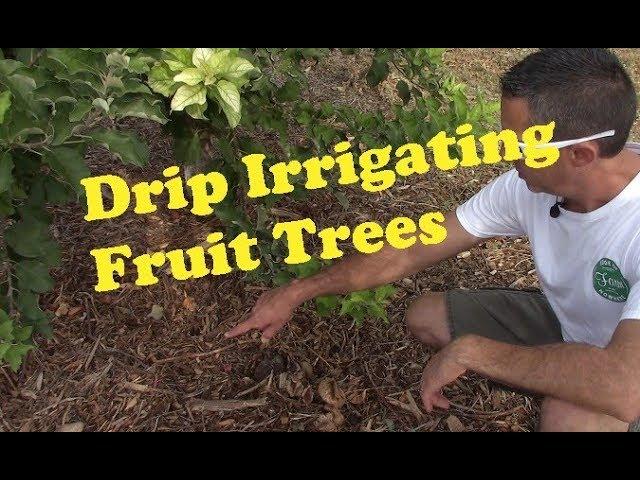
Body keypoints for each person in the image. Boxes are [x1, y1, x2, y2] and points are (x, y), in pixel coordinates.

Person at [226, 48, 640, 432]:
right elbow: (412, 246)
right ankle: (555, 372)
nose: (505, 154)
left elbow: (622, 387)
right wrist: (301, 290)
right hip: (578, 327)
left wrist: (475, 352)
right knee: (427, 317)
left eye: (517, 145)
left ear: (581, 154)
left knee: (570, 416)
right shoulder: (529, 186)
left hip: (629, 374)